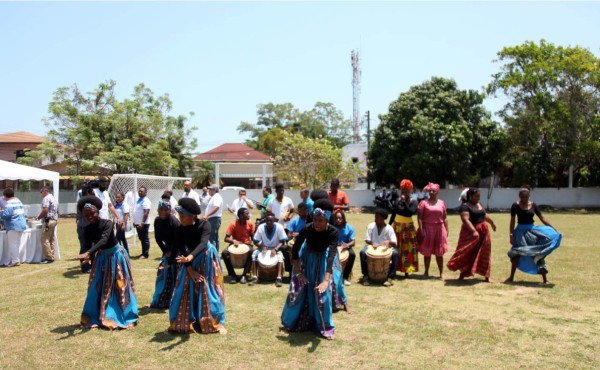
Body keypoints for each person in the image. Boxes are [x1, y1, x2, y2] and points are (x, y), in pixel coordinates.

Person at [74, 196, 138, 329]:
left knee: (121, 286)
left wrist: (88, 253)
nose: (90, 216)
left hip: (116, 256)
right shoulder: (86, 228)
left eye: (92, 213)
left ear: (98, 211)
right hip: (101, 258)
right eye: (87, 215)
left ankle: (126, 316)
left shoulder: (108, 223)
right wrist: (88, 256)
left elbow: (103, 240)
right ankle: (93, 316)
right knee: (95, 287)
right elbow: (86, 244)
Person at [281, 202, 339, 339]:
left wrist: (325, 280)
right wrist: (299, 273)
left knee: (322, 293)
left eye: (321, 221)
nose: (317, 223)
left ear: (326, 221)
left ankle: (325, 326)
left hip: (323, 261)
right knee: (297, 291)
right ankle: (291, 322)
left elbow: (331, 255)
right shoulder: (307, 229)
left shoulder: (333, 232)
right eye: (315, 220)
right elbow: (295, 249)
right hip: (305, 259)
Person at [168, 198, 226, 334]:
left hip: (206, 257)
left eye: (183, 216)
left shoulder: (204, 225)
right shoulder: (179, 229)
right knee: (183, 289)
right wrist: (189, 268)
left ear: (192, 216)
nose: (180, 219)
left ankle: (215, 322)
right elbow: (180, 247)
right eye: (179, 216)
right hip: (189, 260)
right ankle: (182, 322)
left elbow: (203, 243)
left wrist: (191, 256)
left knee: (208, 289)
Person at [505, 187, 562, 285]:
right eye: (522, 196)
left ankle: (545, 279)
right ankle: (511, 277)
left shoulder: (533, 205)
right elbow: (512, 220)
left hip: (532, 232)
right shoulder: (515, 205)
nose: (524, 198)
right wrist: (511, 234)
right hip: (520, 232)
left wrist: (553, 228)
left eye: (526, 196)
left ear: (529, 196)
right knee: (517, 253)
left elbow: (542, 218)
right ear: (519, 196)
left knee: (538, 253)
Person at [447, 188, 496, 282]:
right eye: (476, 196)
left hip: (483, 231)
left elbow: (484, 215)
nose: (478, 198)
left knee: (484, 252)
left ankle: (487, 276)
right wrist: (473, 231)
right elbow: (465, 219)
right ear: (470, 196)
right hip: (469, 232)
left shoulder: (479, 204)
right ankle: (462, 274)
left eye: (479, 196)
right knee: (466, 252)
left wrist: (492, 223)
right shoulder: (465, 206)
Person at [149, 198, 180, 308]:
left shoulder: (174, 222)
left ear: (170, 210)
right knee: (162, 275)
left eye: (165, 209)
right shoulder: (157, 220)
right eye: (160, 209)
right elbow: (157, 238)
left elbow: (178, 242)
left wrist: (171, 258)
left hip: (178, 249)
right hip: (167, 249)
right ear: (157, 210)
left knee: (175, 275)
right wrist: (165, 251)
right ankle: (160, 299)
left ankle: (174, 300)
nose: (163, 211)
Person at [417, 182, 449, 279]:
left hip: (439, 229)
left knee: (439, 253)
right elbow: (419, 217)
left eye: (433, 191)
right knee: (427, 252)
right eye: (430, 190)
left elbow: (445, 217)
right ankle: (426, 272)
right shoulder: (424, 203)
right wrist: (421, 230)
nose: (431, 192)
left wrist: (447, 229)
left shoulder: (442, 203)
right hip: (427, 228)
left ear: (437, 192)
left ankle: (441, 273)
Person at [360, 208, 398, 287]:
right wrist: (373, 243)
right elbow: (367, 239)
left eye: (377, 217)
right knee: (362, 252)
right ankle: (366, 276)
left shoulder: (389, 229)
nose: (375, 219)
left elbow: (394, 243)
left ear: (383, 219)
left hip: (385, 249)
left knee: (395, 253)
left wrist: (389, 242)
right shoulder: (371, 226)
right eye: (375, 217)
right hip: (372, 246)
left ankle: (390, 277)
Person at [390, 179, 419, 277]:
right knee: (396, 248)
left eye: (406, 191)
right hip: (397, 227)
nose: (404, 193)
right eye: (402, 191)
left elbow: (410, 212)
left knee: (407, 249)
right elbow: (394, 212)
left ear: (410, 191)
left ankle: (407, 270)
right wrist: (389, 225)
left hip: (407, 228)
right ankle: (394, 269)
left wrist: (404, 202)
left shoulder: (413, 201)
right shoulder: (397, 200)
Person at [250, 213, 287, 287]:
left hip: (275, 248)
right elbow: (255, 240)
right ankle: (255, 277)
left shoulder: (279, 227)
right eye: (267, 221)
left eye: (271, 221)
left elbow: (283, 241)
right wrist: (262, 246)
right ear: (265, 220)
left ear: (274, 220)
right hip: (264, 248)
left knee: (280, 256)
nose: (269, 222)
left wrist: (276, 249)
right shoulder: (261, 227)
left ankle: (279, 278)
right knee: (254, 254)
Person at [222, 208, 255, 284]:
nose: (248, 215)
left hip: (246, 244)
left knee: (252, 252)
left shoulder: (250, 224)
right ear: (241, 215)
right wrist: (234, 241)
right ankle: (233, 275)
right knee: (224, 253)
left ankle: (244, 275)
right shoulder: (233, 224)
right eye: (246, 213)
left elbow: (253, 237)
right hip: (235, 244)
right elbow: (226, 238)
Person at [0, 188, 26, 267]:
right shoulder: (18, 201)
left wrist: (0, 211)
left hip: (13, 225)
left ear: (5, 196)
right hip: (21, 224)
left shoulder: (10, 203)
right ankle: (17, 259)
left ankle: (15, 261)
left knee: (13, 244)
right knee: (17, 243)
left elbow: (5, 215)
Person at [285, 202, 309, 274]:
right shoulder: (294, 221)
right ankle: (291, 270)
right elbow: (289, 234)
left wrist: (299, 234)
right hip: (296, 241)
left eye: (301, 211)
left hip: (308, 240)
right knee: (287, 247)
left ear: (306, 210)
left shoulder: (310, 220)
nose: (299, 212)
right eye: (299, 211)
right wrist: (292, 236)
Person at [37, 186, 59, 264]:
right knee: (51, 238)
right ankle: (52, 254)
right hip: (54, 220)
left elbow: (45, 210)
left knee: (44, 238)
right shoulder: (53, 198)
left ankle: (48, 257)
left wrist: (38, 217)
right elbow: (57, 210)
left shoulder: (46, 198)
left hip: (48, 221)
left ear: (45, 191)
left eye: (41, 192)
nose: (41, 195)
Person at [334, 210, 356, 286]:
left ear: (343, 218)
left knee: (352, 254)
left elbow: (353, 242)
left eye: (340, 218)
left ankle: (345, 277)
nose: (338, 220)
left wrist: (347, 245)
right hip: (334, 247)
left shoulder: (349, 227)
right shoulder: (332, 227)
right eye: (336, 218)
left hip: (345, 247)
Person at [76, 185, 94, 272]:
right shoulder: (84, 203)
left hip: (87, 227)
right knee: (85, 248)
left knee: (90, 247)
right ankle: (85, 267)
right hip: (84, 228)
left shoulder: (83, 201)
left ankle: (89, 266)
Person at [132, 186, 152, 259]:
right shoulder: (139, 200)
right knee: (141, 238)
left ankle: (145, 254)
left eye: (141, 191)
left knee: (144, 238)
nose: (140, 192)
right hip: (138, 223)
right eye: (139, 191)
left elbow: (146, 212)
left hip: (143, 223)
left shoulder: (146, 200)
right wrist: (135, 221)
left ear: (145, 192)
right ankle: (143, 252)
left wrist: (142, 223)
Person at [202, 184, 223, 251]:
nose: (209, 190)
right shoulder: (214, 197)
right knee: (214, 237)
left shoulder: (217, 197)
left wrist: (207, 215)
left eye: (210, 189)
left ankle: (213, 254)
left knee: (212, 238)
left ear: (214, 190)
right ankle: (215, 253)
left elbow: (216, 207)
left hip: (214, 219)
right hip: (213, 219)